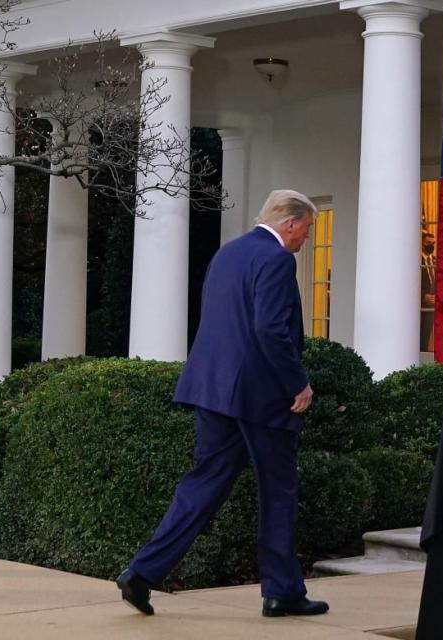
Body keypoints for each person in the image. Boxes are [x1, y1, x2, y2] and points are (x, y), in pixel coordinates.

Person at [116, 189, 328, 619]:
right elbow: (270, 329)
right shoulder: (277, 259)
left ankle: (142, 571)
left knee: (203, 483)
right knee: (279, 490)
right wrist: (298, 383)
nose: (305, 239)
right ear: (290, 223)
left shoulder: (228, 254)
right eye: (306, 229)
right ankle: (282, 591)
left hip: (212, 391)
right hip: (261, 397)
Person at [420, 231, 436, 352]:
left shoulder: (436, 261)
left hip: (434, 306)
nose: (431, 245)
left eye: (433, 243)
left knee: (429, 335)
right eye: (428, 243)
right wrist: (422, 296)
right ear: (422, 243)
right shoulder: (416, 260)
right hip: (420, 306)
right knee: (419, 335)